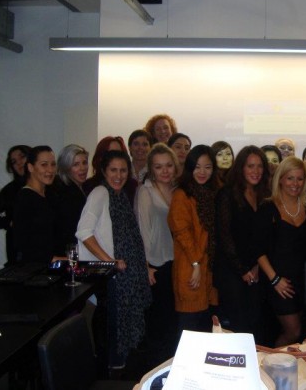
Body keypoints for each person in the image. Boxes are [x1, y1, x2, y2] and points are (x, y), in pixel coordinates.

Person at [76, 150, 151, 372]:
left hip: (127, 275)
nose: (118, 176)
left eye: (123, 170)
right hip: (113, 277)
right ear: (103, 171)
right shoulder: (100, 193)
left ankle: (119, 370)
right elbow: (84, 232)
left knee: (122, 331)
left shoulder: (119, 195)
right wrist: (110, 262)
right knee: (111, 332)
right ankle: (110, 375)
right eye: (113, 170)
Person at [253, 157, 306, 346]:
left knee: (303, 334)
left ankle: (286, 364)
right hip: (277, 282)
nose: (295, 184)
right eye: (290, 178)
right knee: (293, 331)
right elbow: (258, 249)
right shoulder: (267, 208)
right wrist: (275, 280)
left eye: (300, 178)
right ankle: (270, 362)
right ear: (280, 179)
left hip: (303, 282)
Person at [215, 146, 270, 340]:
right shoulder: (226, 194)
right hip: (231, 271)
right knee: (240, 329)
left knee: (257, 325)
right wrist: (242, 270)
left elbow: (264, 237)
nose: (256, 171)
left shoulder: (264, 195)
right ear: (241, 168)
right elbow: (224, 236)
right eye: (250, 166)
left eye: (260, 166)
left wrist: (257, 266)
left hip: (256, 270)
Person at [135, 143, 179, 364]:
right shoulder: (146, 191)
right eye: (159, 166)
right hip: (155, 264)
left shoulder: (178, 190)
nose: (165, 171)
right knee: (158, 322)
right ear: (151, 169)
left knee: (174, 322)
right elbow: (142, 230)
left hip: (177, 263)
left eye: (169, 165)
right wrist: (145, 266)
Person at [168, 145, 218, 333]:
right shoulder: (182, 195)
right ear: (189, 168)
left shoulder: (211, 193)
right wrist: (195, 263)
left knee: (205, 329)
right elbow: (182, 233)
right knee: (189, 328)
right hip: (190, 268)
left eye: (207, 167)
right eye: (197, 167)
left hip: (208, 270)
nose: (202, 172)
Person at [13, 145, 62, 264]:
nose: (50, 170)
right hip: (34, 268)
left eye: (53, 164)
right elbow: (23, 242)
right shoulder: (25, 198)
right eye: (44, 165)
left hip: (52, 265)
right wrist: (50, 258)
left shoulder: (50, 195)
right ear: (30, 167)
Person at [0, 145, 31, 265]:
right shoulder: (11, 190)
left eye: (22, 157)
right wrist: (8, 223)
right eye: (14, 162)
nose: (19, 163)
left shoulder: (49, 185)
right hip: (19, 254)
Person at [83, 136, 137, 204]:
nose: (115, 157)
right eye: (110, 154)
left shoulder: (132, 187)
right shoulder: (90, 188)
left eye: (118, 153)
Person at [54, 144, 89, 248]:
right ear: (66, 168)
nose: (82, 168)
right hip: (68, 250)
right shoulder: (66, 193)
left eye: (84, 163)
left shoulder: (82, 188)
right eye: (76, 164)